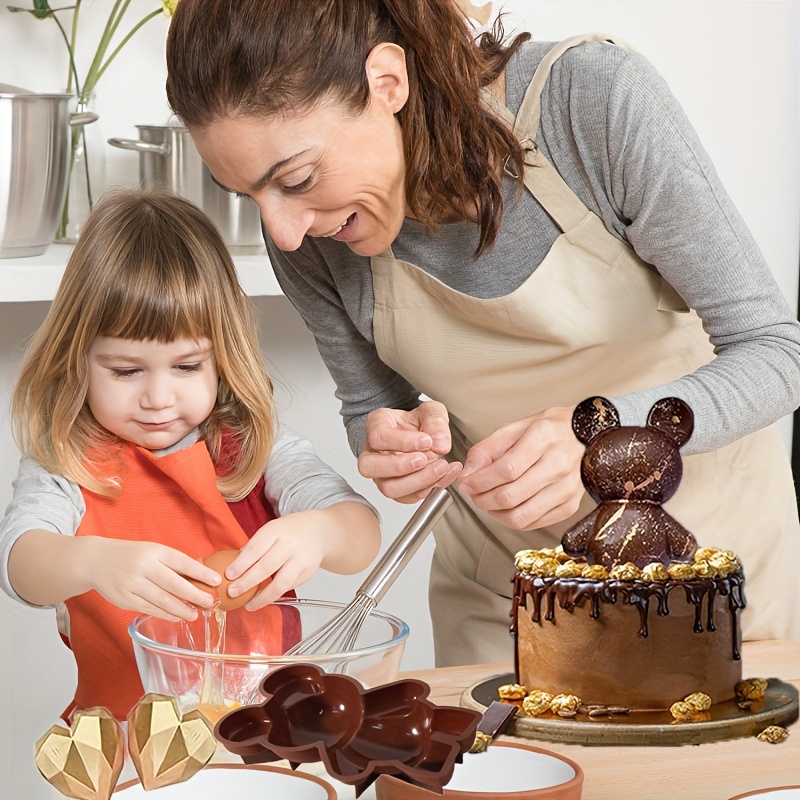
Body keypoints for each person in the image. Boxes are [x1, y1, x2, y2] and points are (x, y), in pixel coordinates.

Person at [165, 0, 800, 665]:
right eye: (247, 195)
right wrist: (386, 438)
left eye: (295, 179)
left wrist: (606, 438)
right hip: (505, 590)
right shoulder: (309, 237)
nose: (283, 231)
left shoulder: (590, 103)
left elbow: (776, 352)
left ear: (387, 83)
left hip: (699, 569)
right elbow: (370, 403)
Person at [0, 188, 381, 721]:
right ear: (77, 359)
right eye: (126, 371)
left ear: (222, 358)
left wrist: (318, 532)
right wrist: (92, 560)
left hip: (263, 737)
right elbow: (21, 565)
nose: (158, 398)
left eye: (186, 367)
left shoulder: (254, 447)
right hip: (127, 747)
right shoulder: (67, 459)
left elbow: (361, 533)